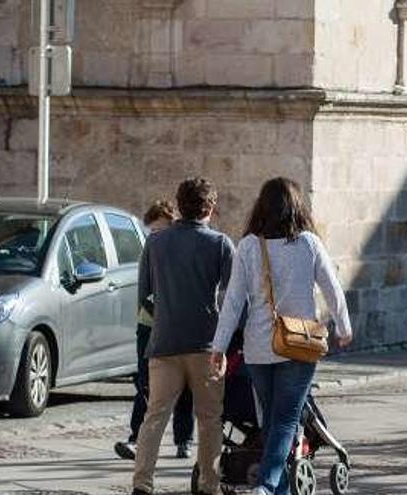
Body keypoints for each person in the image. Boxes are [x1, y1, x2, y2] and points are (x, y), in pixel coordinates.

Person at [210, 177, 353, 495]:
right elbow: (332, 288)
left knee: (272, 422)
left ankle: (279, 489)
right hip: (300, 345)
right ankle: (266, 485)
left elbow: (232, 302)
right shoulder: (308, 243)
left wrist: (219, 347)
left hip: (259, 347)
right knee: (287, 420)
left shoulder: (248, 246)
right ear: (296, 208)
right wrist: (343, 327)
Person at [132, 178, 234, 495]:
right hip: (207, 344)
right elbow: (232, 299)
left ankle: (142, 484)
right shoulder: (220, 244)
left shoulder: (156, 242)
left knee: (154, 417)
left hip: (164, 343)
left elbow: (144, 295)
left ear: (179, 205)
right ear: (211, 208)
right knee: (209, 420)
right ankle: (208, 485)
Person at [115, 200, 194, 461]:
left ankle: (183, 439)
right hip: (150, 323)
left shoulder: (181, 251)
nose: (156, 236)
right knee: (145, 383)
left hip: (179, 325)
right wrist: (145, 314)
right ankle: (136, 438)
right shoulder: (150, 249)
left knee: (184, 385)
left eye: (161, 230)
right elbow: (143, 286)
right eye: (152, 232)